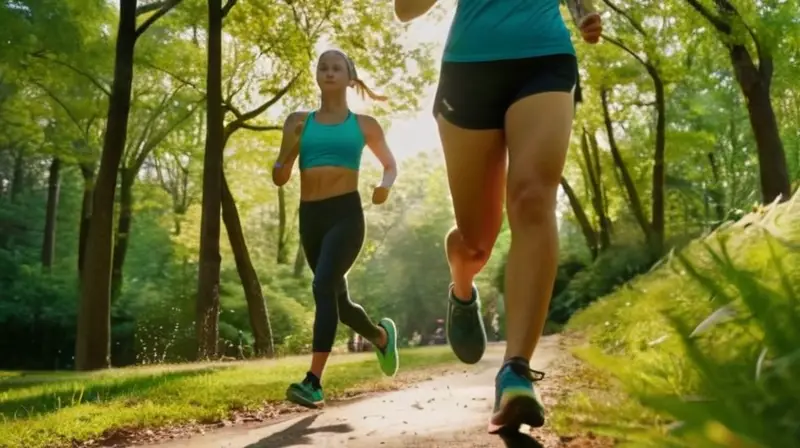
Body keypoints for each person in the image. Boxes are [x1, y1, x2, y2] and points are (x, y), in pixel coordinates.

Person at [393, 0, 602, 433]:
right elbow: (404, 9)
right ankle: (462, 283)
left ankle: (516, 372)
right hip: (469, 68)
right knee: (474, 242)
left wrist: (583, 11)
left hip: (545, 56)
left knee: (530, 198)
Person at [272, 49, 400, 409]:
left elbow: (390, 165)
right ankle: (379, 336)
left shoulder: (364, 124)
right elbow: (280, 176)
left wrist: (384, 186)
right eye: (323, 67)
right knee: (337, 302)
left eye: (336, 68)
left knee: (321, 284)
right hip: (310, 217)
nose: (329, 72)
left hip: (346, 216)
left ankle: (313, 383)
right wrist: (289, 150)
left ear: (349, 78)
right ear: (317, 75)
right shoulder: (298, 121)